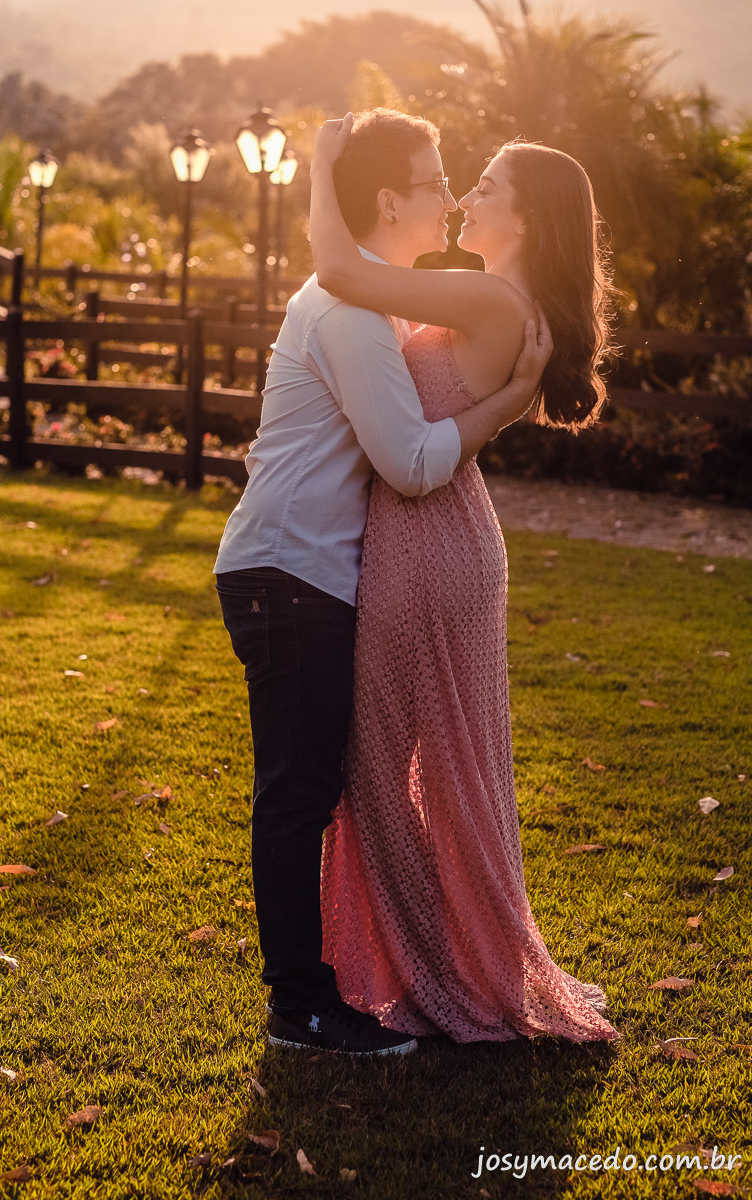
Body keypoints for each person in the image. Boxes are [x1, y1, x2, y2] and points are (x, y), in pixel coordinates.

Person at [213, 108, 553, 1057]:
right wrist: (506, 402)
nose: (449, 196)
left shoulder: (381, 303)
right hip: (290, 572)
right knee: (300, 791)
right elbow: (408, 463)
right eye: (436, 181)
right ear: (391, 201)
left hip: (306, 572)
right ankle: (301, 1006)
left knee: (316, 785)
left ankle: (370, 978)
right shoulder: (353, 313)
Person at [311, 113, 622, 1043]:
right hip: (443, 538)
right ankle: (458, 958)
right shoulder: (497, 301)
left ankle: (448, 973)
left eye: (486, 187)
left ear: (525, 220)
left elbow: (341, 271)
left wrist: (320, 166)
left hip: (427, 546)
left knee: (377, 775)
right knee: (420, 774)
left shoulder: (490, 301)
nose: (464, 199)